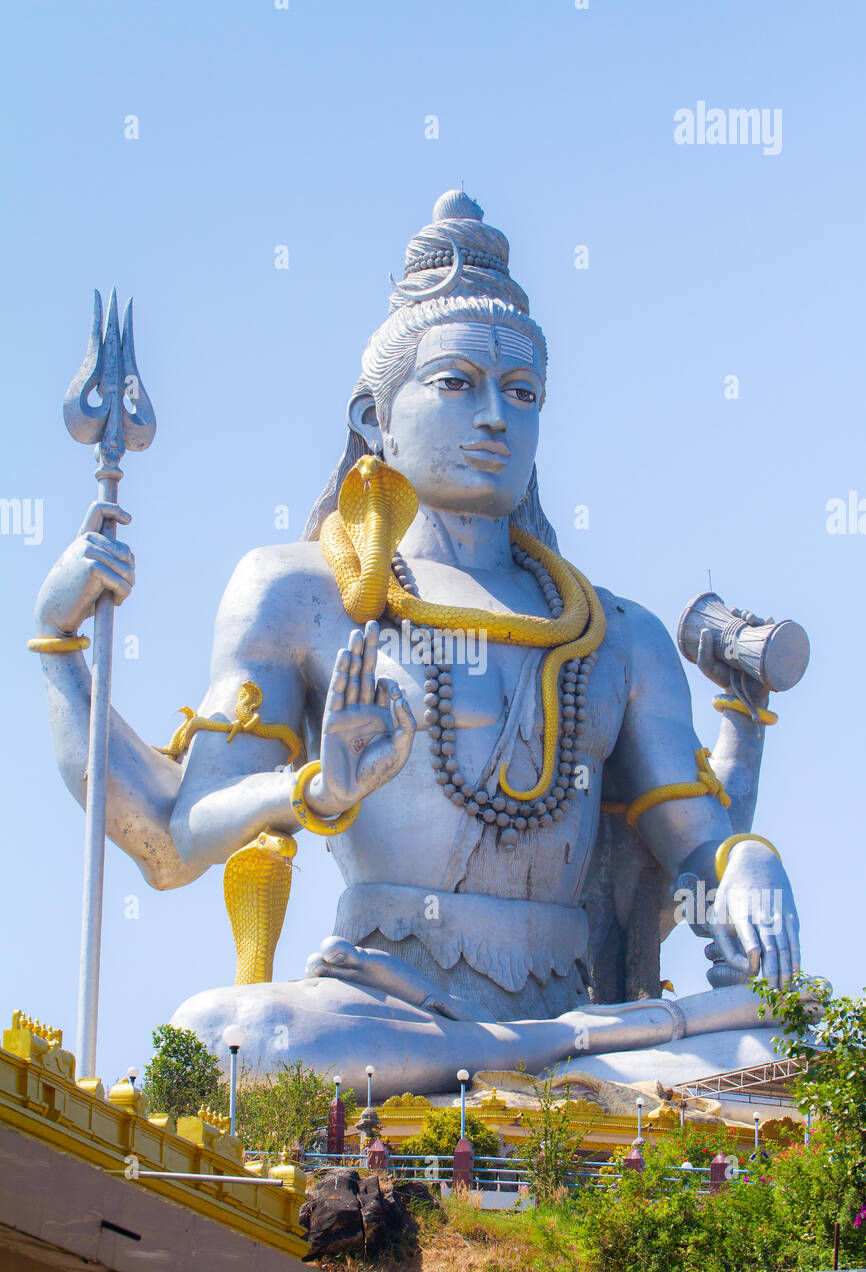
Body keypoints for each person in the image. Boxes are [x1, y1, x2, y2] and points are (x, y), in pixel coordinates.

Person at [31, 191, 801, 1091]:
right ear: (374, 417)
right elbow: (174, 839)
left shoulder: (615, 633)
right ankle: (532, 1061)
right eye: (456, 384)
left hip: (586, 1009)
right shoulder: (303, 592)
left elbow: (692, 839)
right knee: (234, 1040)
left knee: (799, 1040)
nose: (495, 419)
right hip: (380, 1008)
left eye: (522, 394)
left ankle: (543, 1051)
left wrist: (747, 865)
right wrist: (62, 647)